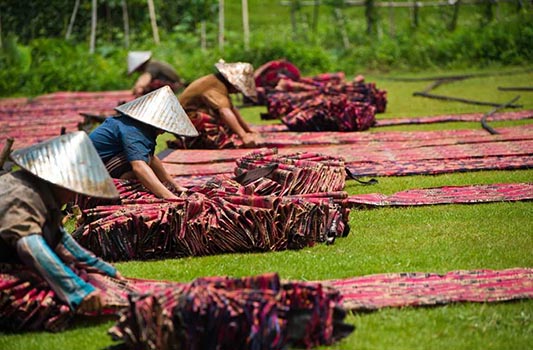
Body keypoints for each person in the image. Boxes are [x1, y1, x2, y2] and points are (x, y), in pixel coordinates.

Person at [0, 131, 122, 314]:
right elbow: (31, 246)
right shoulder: (23, 196)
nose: (75, 194)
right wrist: (79, 291)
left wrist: (105, 269)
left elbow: (60, 239)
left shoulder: (42, 194)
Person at [89, 85, 199, 200]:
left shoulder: (134, 125)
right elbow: (139, 167)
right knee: (137, 166)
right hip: (90, 180)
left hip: (95, 170)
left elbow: (152, 158)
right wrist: (169, 197)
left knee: (146, 157)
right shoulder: (133, 130)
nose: (163, 133)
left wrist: (175, 187)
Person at [175, 60, 260, 149]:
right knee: (223, 126)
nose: (236, 92)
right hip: (184, 121)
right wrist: (244, 136)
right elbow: (225, 112)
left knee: (230, 125)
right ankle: (194, 142)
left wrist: (247, 130)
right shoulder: (216, 85)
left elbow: (231, 108)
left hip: (185, 119)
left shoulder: (218, 82)